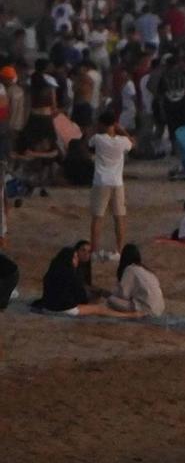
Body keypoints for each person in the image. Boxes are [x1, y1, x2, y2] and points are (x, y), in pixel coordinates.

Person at [33, 241, 135, 317]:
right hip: (63, 309)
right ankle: (128, 315)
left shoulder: (53, 270)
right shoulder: (71, 274)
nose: (77, 259)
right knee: (99, 309)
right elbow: (80, 294)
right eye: (75, 257)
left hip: (47, 307)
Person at [87, 113, 134, 255]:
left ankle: (94, 250)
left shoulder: (98, 139)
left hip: (101, 181)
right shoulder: (122, 141)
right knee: (119, 217)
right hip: (117, 182)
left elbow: (88, 142)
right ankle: (119, 249)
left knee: (97, 217)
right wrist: (122, 130)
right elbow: (132, 142)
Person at [106, 244, 165, 316]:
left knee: (111, 300)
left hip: (146, 309)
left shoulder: (130, 269)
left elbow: (123, 295)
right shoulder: (145, 269)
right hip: (159, 308)